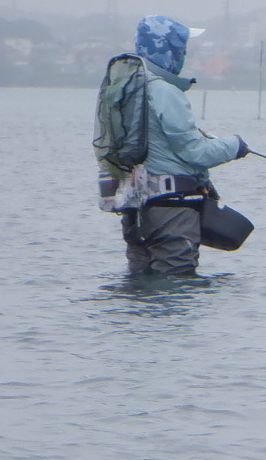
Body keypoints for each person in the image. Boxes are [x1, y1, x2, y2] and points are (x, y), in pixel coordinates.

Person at [97, 14, 248, 276]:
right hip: (172, 210)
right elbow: (195, 151)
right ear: (169, 49)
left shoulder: (124, 89)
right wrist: (234, 145)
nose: (183, 55)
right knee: (176, 281)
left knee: (140, 280)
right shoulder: (165, 91)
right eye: (182, 49)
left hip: (134, 209)